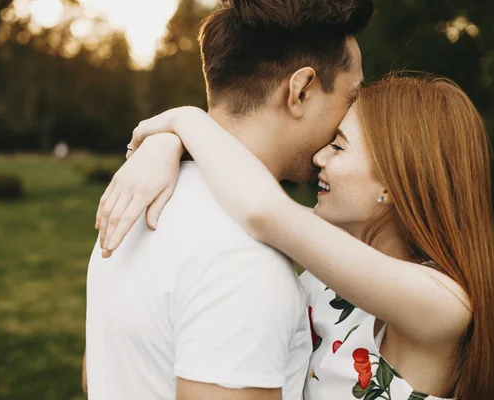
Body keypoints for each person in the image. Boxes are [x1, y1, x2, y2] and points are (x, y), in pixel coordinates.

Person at [96, 74, 494, 400]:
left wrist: (184, 121)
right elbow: (240, 187)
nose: (319, 156)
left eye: (339, 146)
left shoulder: (442, 304)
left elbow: (263, 210)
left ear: (392, 183)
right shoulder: (336, 259)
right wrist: (166, 146)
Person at [84, 0, 374, 398]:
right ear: (301, 90)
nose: (352, 117)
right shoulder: (244, 259)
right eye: (351, 97)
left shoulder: (137, 204)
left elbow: (98, 374)